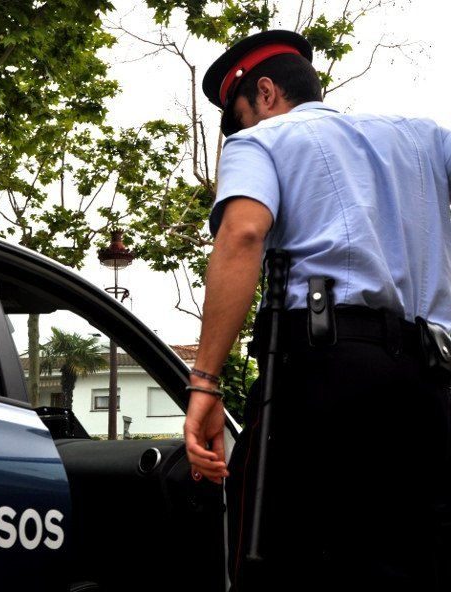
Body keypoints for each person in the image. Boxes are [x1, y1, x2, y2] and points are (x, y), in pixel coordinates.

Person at [184, 29, 451, 592]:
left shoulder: (263, 142)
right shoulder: (424, 137)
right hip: (430, 383)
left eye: (239, 118)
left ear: (265, 92)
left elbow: (243, 234)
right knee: (410, 560)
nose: (241, 131)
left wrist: (205, 381)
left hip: (324, 373)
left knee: (283, 559)